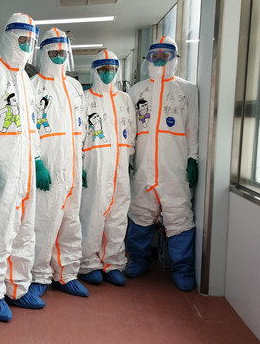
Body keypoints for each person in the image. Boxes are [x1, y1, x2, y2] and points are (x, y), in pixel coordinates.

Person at [0, 13, 49, 323]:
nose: (26, 46)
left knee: (24, 230)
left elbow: (32, 126)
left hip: (26, 167)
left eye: (30, 41)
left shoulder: (26, 80)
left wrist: (37, 159)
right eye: (21, 39)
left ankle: (17, 286)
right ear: (7, 38)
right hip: (4, 165)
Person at [125, 36, 199, 291]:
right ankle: (138, 259)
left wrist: (194, 157)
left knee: (179, 214)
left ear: (174, 58)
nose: (159, 61)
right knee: (140, 212)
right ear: (147, 59)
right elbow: (130, 129)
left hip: (174, 165)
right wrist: (128, 158)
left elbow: (193, 127)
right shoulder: (137, 90)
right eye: (154, 56)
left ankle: (183, 268)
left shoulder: (187, 90)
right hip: (143, 165)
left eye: (164, 56)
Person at [30, 28, 89, 298]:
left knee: (71, 221)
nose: (59, 57)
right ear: (43, 53)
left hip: (73, 164)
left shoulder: (75, 87)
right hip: (49, 165)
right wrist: (37, 161)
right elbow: (30, 130)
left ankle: (66, 273)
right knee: (45, 221)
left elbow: (82, 128)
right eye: (53, 52)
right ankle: (39, 274)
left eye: (63, 52)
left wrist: (82, 161)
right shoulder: (33, 86)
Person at [79, 50, 136, 287]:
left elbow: (131, 130)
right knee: (92, 213)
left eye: (111, 69)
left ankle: (113, 262)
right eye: (102, 69)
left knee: (118, 214)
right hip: (95, 163)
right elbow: (78, 133)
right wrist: (80, 163)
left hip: (120, 164)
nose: (107, 74)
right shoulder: (85, 98)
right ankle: (89, 263)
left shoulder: (124, 99)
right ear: (94, 71)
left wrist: (129, 155)